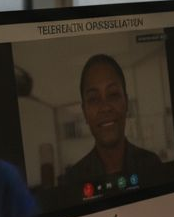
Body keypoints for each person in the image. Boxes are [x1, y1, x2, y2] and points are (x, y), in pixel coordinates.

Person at [61, 54, 163, 192]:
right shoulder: (72, 180)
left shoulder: (151, 164)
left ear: (126, 103)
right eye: (93, 99)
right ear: (84, 112)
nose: (105, 107)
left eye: (113, 94)